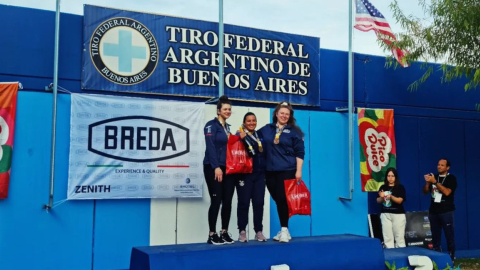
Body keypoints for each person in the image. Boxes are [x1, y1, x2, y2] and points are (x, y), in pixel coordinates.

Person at [259, 101, 305, 243]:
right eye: (282, 113)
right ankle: (284, 230)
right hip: (270, 171)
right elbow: (253, 135)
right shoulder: (267, 129)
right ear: (276, 114)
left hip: (287, 170)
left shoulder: (294, 131)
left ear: (290, 115)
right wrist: (239, 133)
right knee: (278, 199)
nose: (284, 116)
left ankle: (284, 230)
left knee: (282, 199)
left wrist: (298, 171)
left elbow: (300, 152)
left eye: (287, 113)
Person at [203, 95, 235, 245]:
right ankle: (212, 234)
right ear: (218, 111)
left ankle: (224, 232)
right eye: (225, 109)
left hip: (227, 168)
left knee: (227, 200)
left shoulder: (228, 128)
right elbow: (210, 147)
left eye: (229, 109)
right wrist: (216, 167)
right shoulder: (211, 125)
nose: (228, 111)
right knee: (216, 200)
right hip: (213, 166)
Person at [236, 112, 267, 243]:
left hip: (260, 174)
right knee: (243, 203)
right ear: (244, 122)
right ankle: (242, 231)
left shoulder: (259, 136)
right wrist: (239, 137)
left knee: (259, 203)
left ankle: (258, 231)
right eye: (248, 121)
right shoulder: (239, 134)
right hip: (244, 174)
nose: (251, 123)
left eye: (253, 120)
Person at [423, 158, 457, 262]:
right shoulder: (434, 177)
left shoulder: (451, 178)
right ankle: (437, 256)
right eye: (438, 164)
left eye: (442, 165)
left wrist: (435, 182)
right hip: (434, 211)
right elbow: (424, 192)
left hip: (446, 211)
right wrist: (428, 183)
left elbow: (447, 192)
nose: (439, 166)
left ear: (447, 167)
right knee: (435, 236)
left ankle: (451, 256)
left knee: (449, 235)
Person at [376, 167, 407, 248]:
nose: (390, 178)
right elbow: (378, 201)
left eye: (392, 176)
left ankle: (401, 256)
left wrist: (391, 197)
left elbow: (400, 200)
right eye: (388, 176)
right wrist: (382, 197)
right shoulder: (383, 187)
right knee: (387, 238)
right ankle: (389, 257)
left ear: (395, 177)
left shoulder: (400, 187)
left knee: (399, 238)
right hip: (385, 214)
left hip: (398, 214)